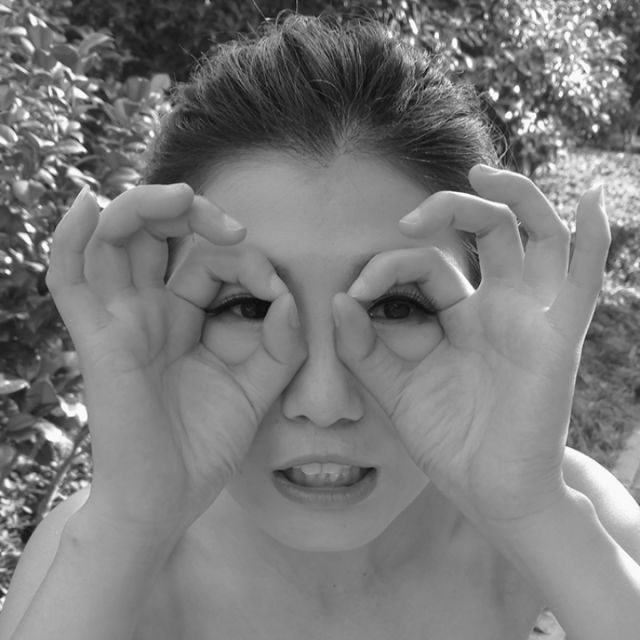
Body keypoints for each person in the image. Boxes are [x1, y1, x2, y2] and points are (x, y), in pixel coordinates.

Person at [1, 13, 639, 640]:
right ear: (160, 314)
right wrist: (127, 532)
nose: (325, 402)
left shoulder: (559, 517)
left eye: (396, 307)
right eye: (247, 308)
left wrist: (534, 515)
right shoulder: (97, 557)